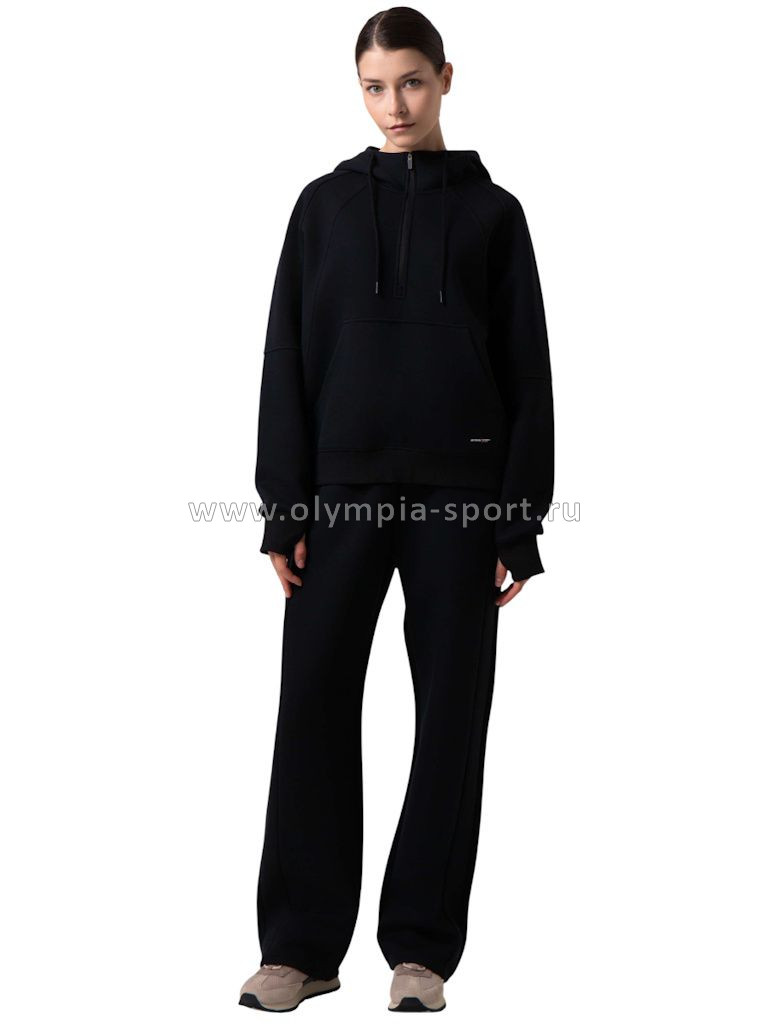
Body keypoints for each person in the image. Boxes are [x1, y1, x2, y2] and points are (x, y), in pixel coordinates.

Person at [239, 6, 554, 1013]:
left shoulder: (495, 215)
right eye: (375, 87)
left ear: (446, 78)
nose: (394, 105)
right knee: (313, 703)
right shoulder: (322, 208)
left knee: (451, 714)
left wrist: (518, 519)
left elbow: (528, 373)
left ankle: (420, 950)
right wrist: (284, 507)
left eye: (411, 81)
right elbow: (286, 356)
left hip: (461, 498)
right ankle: (300, 948)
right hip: (338, 495)